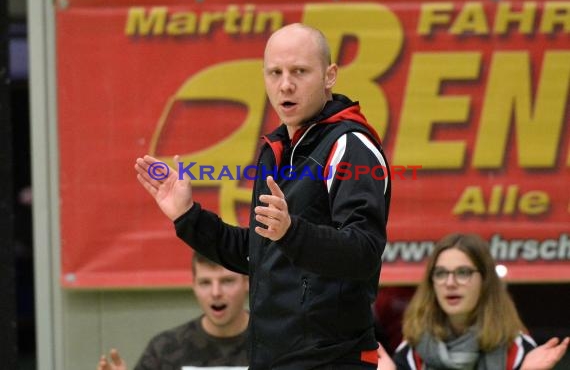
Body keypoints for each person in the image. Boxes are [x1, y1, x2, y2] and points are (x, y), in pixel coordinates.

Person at [135, 23, 390, 369]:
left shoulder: (350, 145)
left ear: (330, 76)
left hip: (333, 359)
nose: (285, 84)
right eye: (275, 72)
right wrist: (188, 217)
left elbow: (364, 252)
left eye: (300, 71)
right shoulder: (276, 149)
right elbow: (259, 253)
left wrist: (291, 232)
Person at [375, 233, 570, 370]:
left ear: (485, 280)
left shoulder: (517, 349)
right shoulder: (413, 350)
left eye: (463, 273)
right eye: (441, 273)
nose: (450, 283)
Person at [97, 252, 249, 370]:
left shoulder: (272, 343)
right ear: (194, 286)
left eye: (227, 281)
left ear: (247, 282)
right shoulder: (165, 349)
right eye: (205, 283)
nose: (216, 292)